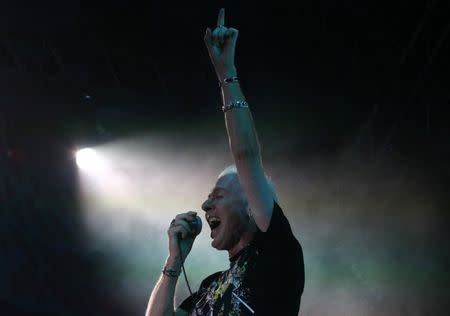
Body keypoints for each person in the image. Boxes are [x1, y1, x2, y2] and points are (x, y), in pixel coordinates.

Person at [145, 8, 304, 316]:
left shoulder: (275, 253)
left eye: (218, 196)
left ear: (251, 204)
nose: (205, 206)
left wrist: (226, 74)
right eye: (208, 199)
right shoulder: (209, 287)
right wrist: (174, 263)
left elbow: (246, 156)